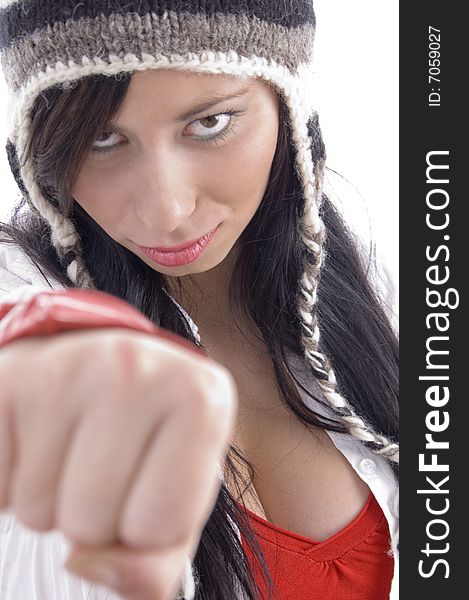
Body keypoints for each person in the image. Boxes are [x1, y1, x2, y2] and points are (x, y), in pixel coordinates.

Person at [0, 1, 399, 599]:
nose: (167, 210)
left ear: (290, 111)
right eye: (103, 138)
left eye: (209, 124)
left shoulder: (365, 280)